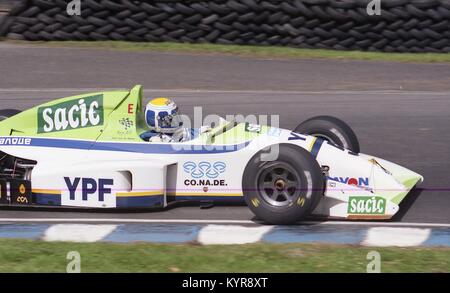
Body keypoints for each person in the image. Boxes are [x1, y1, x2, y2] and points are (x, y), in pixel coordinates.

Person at [140, 97, 210, 143]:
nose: (175, 120)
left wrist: (199, 131)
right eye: (170, 119)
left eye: (175, 115)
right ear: (156, 121)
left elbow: (184, 134)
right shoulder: (155, 139)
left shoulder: (174, 132)